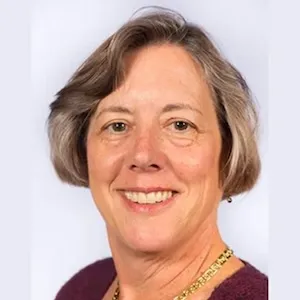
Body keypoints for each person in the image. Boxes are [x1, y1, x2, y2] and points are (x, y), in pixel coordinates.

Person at [48, 7, 268, 300]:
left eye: (180, 125)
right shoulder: (83, 289)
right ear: (82, 147)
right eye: (117, 125)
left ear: (227, 153)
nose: (143, 154)